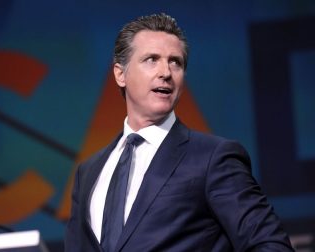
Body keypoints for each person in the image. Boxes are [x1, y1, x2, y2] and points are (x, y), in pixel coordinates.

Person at [65, 13, 294, 251]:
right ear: (120, 74)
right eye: (151, 59)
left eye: (175, 62)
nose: (166, 72)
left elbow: (271, 245)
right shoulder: (88, 172)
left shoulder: (213, 158)